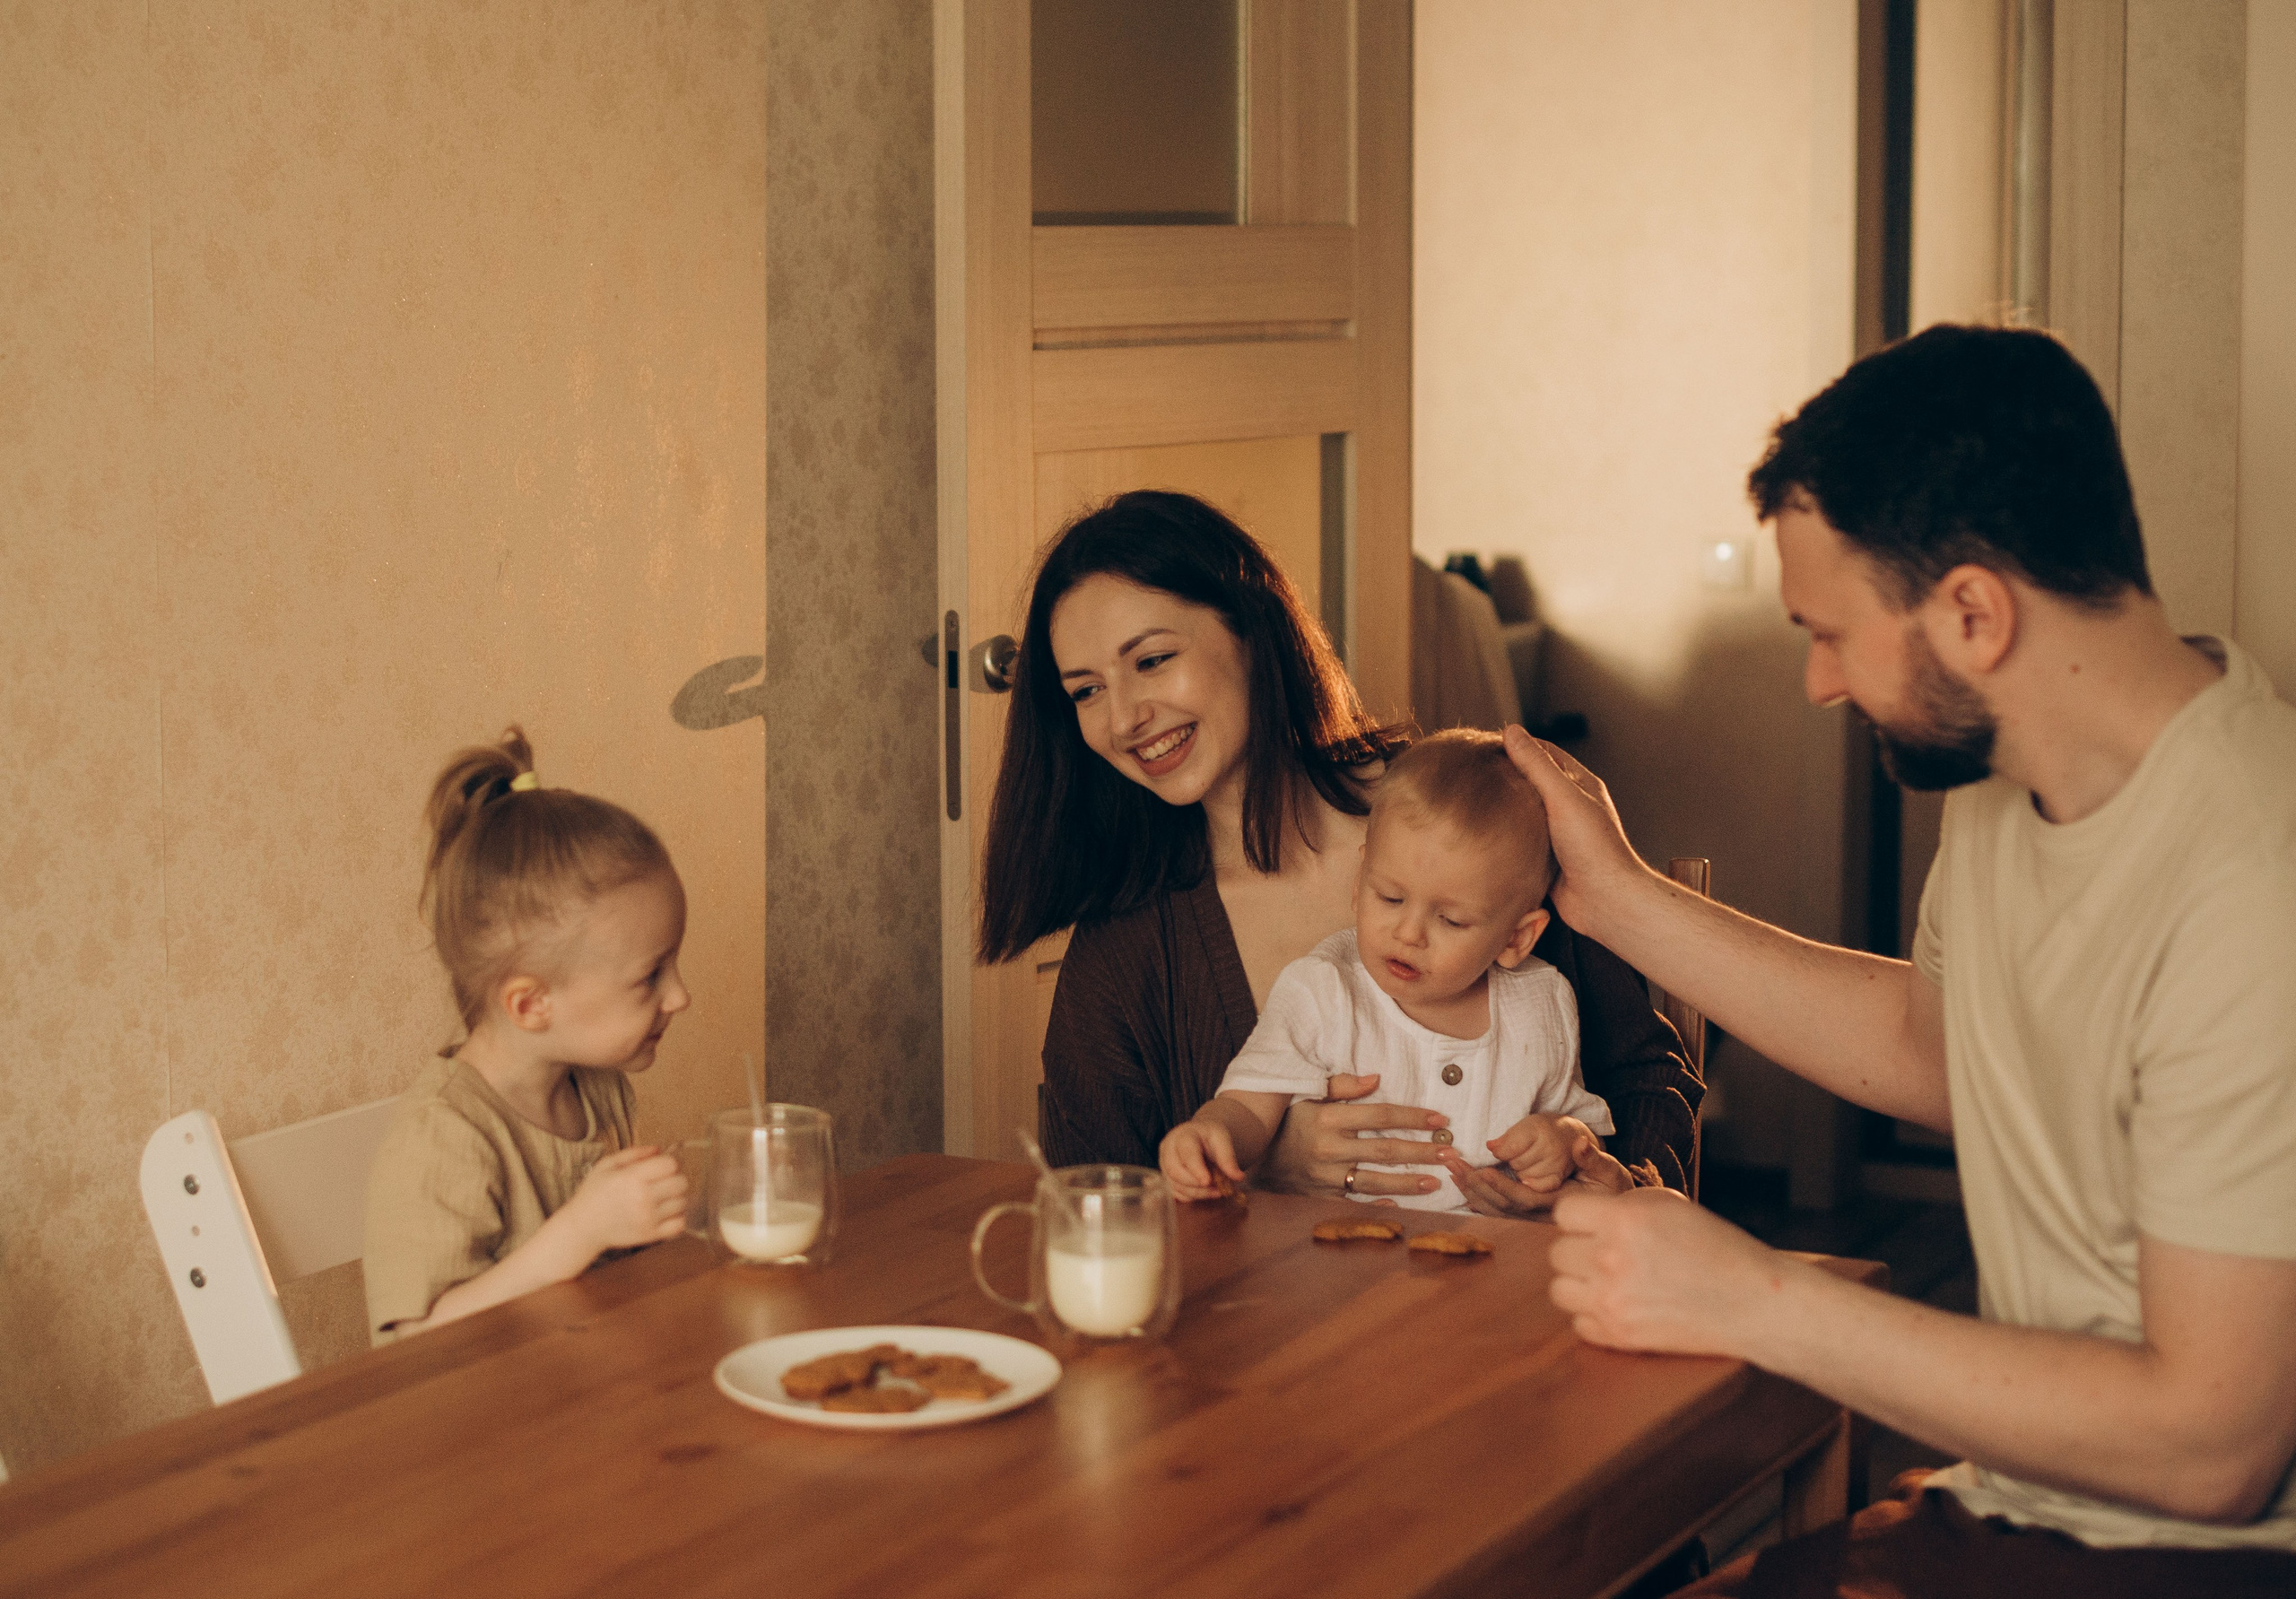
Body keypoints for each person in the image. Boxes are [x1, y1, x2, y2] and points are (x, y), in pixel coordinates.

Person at [1518, 326, 2296, 1595]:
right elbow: (1938, 1047)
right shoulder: (2007, 781)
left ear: (1975, 611)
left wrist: (1757, 1297)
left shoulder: (2257, 878)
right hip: (2030, 1509)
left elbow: (2215, 1445)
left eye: (1831, 631)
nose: (1821, 682)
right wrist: (1620, 899)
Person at [978, 490, 1702, 1210]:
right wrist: (1263, 1173)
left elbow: (1649, 1081)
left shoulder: (1477, 823)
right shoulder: (1126, 950)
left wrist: (1601, 1178)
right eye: (1085, 691)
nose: (1125, 718)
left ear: (1252, 630)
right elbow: (1093, 1214)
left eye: (1153, 659)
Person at [1160, 729, 1613, 1212]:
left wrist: (1563, 1141)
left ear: (1516, 938)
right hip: (1342, 1268)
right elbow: (1250, 1108)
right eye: (1390, 898)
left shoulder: (1542, 1004)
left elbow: (1582, 1132)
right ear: (1359, 886)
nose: (1409, 933)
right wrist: (1210, 1134)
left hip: (1492, 1269)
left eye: (1451, 920)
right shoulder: (1323, 989)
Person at [363, 728, 693, 1343]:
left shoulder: (597, 1093)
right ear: (532, 1003)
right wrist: (581, 1231)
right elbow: (410, 1351)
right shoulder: (445, 1137)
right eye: (652, 975)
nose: (680, 996)